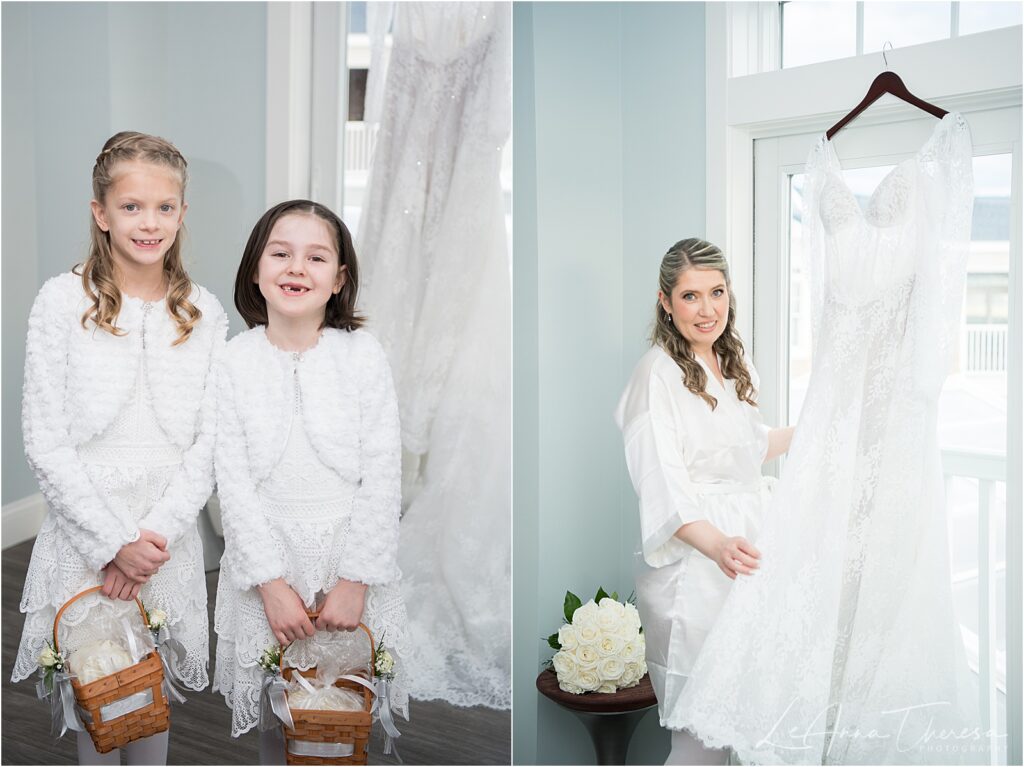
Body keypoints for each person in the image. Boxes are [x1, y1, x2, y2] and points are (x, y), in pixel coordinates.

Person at [12, 131, 227, 766]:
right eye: (131, 206)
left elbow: (209, 443)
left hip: (164, 545)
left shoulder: (204, 313)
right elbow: (45, 441)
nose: (150, 222)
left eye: (165, 207)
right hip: (86, 533)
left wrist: (148, 542)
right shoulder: (60, 303)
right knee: (101, 699)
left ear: (183, 214)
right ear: (101, 213)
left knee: (148, 699)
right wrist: (111, 543)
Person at [212, 200, 410, 764]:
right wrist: (270, 585)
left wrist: (356, 579)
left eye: (316, 257)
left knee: (342, 716)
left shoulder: (363, 355)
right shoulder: (233, 362)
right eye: (281, 253)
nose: (297, 268)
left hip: (347, 559)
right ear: (256, 268)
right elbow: (234, 483)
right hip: (270, 563)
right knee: (283, 717)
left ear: (339, 277)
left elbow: (382, 476)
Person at [614, 238, 793, 766]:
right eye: (691, 296)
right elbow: (660, 480)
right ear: (665, 302)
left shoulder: (730, 361)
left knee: (751, 715)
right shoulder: (656, 373)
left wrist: (812, 433)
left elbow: (747, 448)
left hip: (749, 547)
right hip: (700, 560)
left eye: (717, 292)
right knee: (701, 734)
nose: (708, 309)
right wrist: (716, 544)